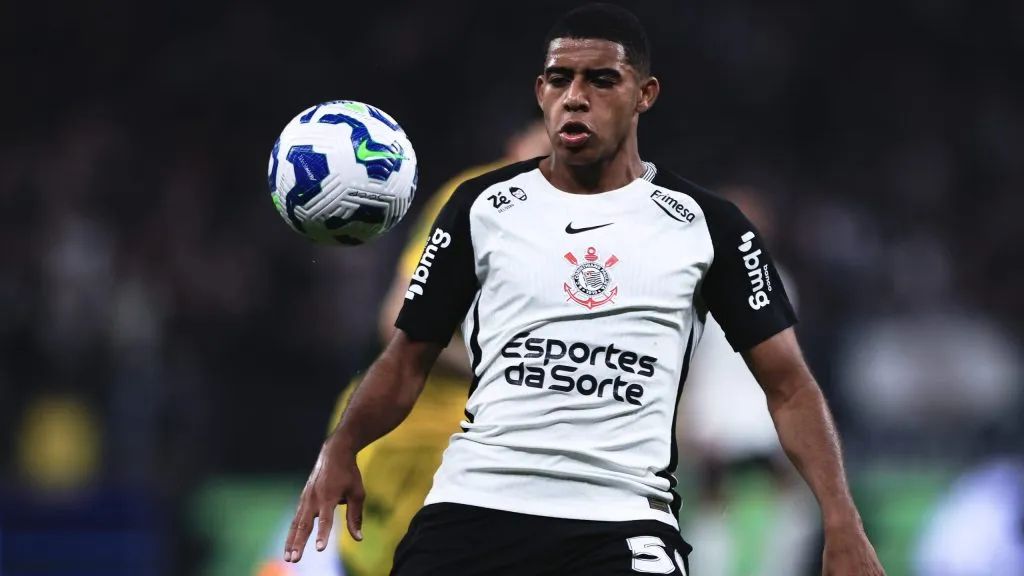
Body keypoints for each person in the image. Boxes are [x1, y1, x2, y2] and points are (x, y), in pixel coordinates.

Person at [284, 4, 885, 575]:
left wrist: (841, 517)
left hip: (619, 520)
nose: (576, 96)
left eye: (601, 79)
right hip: (475, 501)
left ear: (644, 94)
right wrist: (342, 446)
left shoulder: (709, 227)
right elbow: (405, 350)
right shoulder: (481, 204)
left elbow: (788, 383)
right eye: (559, 79)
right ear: (540, 93)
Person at [254, 120, 550, 576]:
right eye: (545, 142)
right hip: (412, 443)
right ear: (513, 145)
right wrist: (504, 370)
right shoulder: (480, 201)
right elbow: (399, 320)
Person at [678, 186, 818, 576]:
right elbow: (689, 354)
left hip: (761, 408)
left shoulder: (778, 279)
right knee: (713, 500)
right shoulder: (696, 280)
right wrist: (687, 413)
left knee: (789, 498)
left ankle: (778, 568)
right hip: (720, 409)